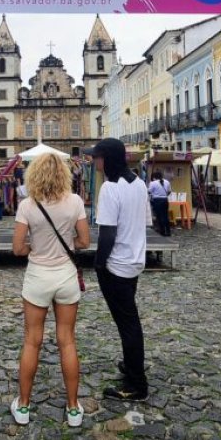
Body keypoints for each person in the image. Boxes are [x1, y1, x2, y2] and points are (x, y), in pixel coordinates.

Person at [10, 154, 91, 427]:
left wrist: (37, 247)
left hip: (37, 278)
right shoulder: (75, 202)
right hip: (66, 276)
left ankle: (23, 406)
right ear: (64, 175)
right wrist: (67, 242)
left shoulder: (27, 205)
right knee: (67, 340)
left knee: (32, 340)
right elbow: (84, 241)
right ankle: (72, 408)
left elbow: (18, 248)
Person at [84, 137, 150, 401]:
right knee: (129, 321)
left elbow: (107, 234)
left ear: (106, 159)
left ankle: (137, 384)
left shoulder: (110, 188)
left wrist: (98, 265)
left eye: (96, 157)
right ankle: (131, 364)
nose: (93, 161)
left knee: (128, 325)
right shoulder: (139, 184)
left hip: (116, 265)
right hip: (134, 261)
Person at [147, 171, 171, 237]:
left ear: (154, 177)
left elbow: (149, 191)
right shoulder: (167, 182)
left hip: (157, 201)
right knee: (165, 216)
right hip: (165, 200)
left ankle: (162, 231)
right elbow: (169, 192)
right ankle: (168, 231)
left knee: (159, 216)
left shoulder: (153, 183)